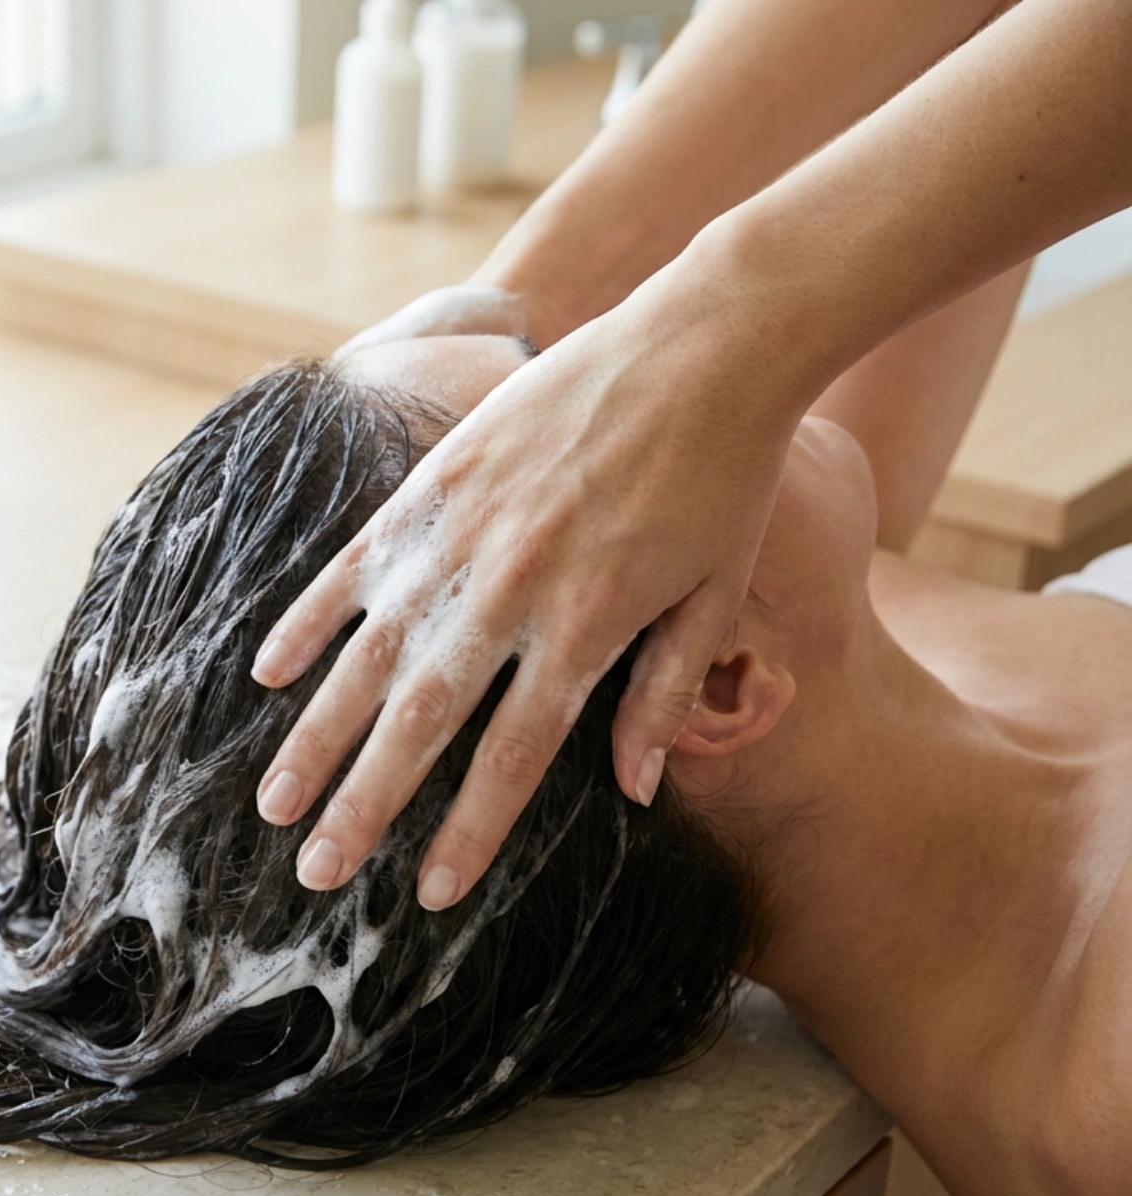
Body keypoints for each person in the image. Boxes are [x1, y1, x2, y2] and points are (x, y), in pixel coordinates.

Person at [0, 332, 1130, 1196]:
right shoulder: (1102, 1077)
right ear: (711, 690)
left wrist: (438, 366)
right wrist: (734, 305)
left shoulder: (846, 647)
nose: (626, 349)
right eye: (570, 385)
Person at [248, 0, 1132, 933]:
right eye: (549, 382)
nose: (606, 368)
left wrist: (549, 286)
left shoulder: (842, 612)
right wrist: (729, 301)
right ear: (711, 684)